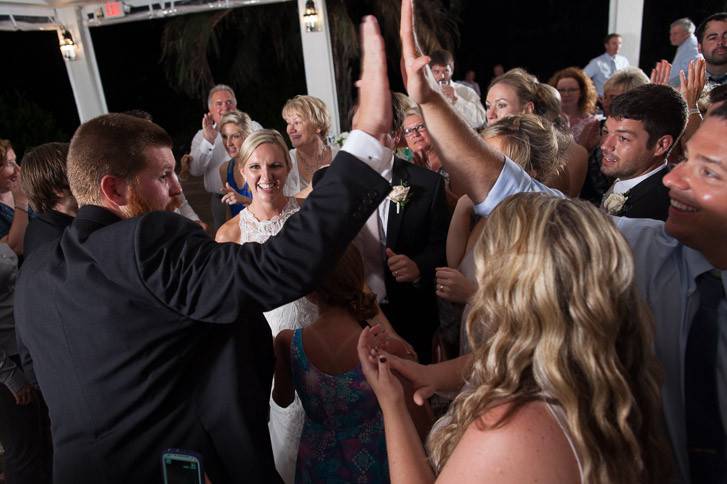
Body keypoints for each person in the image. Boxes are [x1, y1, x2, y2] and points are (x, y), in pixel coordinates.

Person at [14, 13, 398, 482]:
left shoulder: (34, 274)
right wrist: (364, 146)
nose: (179, 188)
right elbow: (279, 267)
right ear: (113, 190)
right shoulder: (143, 244)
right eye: (162, 176)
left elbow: (49, 373)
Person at [392, 7, 727, 479]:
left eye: (708, 170)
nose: (674, 179)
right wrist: (428, 99)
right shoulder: (645, 248)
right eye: (686, 159)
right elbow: (515, 195)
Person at [361, 193, 667, 484]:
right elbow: (510, 359)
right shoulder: (601, 376)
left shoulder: (513, 427)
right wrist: (428, 373)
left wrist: (392, 405)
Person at [273, 244, 429, 483]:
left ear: (309, 291)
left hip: (317, 462)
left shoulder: (288, 342)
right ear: (359, 279)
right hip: (375, 459)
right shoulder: (386, 350)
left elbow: (281, 399)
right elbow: (421, 425)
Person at [214, 129, 317, 483]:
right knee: (285, 453)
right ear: (242, 171)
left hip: (318, 346)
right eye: (255, 167)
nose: (266, 176)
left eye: (275, 165)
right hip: (266, 360)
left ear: (288, 168)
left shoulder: (308, 218)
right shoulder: (229, 234)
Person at [484, 68, 587, 196]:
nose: (490, 114)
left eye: (501, 105)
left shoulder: (543, 159)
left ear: (527, 108)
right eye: (488, 106)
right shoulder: (488, 145)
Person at [0, 242, 52, 484]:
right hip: (7, 364)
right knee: (24, 449)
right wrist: (11, 376)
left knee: (42, 439)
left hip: (24, 347)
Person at [600, 84, 686, 220]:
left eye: (623, 138)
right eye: (605, 132)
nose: (605, 146)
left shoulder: (656, 214)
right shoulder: (629, 177)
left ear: (661, 145)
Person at [188, 84, 262, 231]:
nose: (225, 107)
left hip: (254, 193)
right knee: (226, 237)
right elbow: (195, 171)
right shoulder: (201, 135)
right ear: (210, 110)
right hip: (221, 199)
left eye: (229, 102)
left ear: (235, 105)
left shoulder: (253, 127)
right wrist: (208, 141)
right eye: (219, 104)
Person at [580, 67, 650, 205]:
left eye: (614, 98)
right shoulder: (593, 127)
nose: (606, 102)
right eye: (605, 96)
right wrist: (585, 150)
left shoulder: (645, 134)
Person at [20, 142, 77, 256]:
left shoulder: (40, 228)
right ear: (58, 190)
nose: (88, 179)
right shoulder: (62, 241)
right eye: (78, 174)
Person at [282, 95, 339, 196]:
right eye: (288, 123)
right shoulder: (286, 161)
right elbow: (283, 207)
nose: (290, 129)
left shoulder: (340, 157)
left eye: (297, 122)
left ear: (318, 126)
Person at [429, 49, 487, 130]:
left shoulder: (466, 91)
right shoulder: (424, 94)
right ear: (429, 73)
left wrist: (457, 99)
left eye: (446, 71)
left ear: (452, 71)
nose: (442, 76)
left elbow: (480, 120)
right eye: (436, 72)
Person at [549, 67, 600, 150]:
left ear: (582, 93)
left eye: (572, 90)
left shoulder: (592, 122)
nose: (566, 94)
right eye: (561, 90)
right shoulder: (547, 119)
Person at [216, 110, 254, 217]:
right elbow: (230, 209)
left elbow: (269, 209)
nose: (228, 143)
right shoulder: (224, 169)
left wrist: (243, 200)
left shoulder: (259, 167)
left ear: (247, 136)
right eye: (224, 136)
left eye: (235, 136)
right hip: (238, 230)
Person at [0, 140, 30, 256]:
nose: (18, 170)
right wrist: (22, 202)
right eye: (10, 163)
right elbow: (16, 249)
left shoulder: (20, 190)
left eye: (15, 161)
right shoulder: (21, 195)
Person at [584, 33, 630, 97]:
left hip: (619, 100)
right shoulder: (597, 62)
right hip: (602, 100)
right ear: (606, 45)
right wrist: (592, 93)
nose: (617, 46)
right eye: (614, 43)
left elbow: (628, 80)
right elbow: (582, 77)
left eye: (619, 43)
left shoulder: (624, 61)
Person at [697, 13, 727, 91]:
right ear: (699, 47)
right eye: (713, 38)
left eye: (726, 36)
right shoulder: (680, 85)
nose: (720, 42)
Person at [670, 18, 702, 87]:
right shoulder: (685, 45)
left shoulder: (692, 47)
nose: (672, 37)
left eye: (675, 33)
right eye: (671, 34)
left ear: (687, 33)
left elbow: (689, 72)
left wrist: (669, 85)